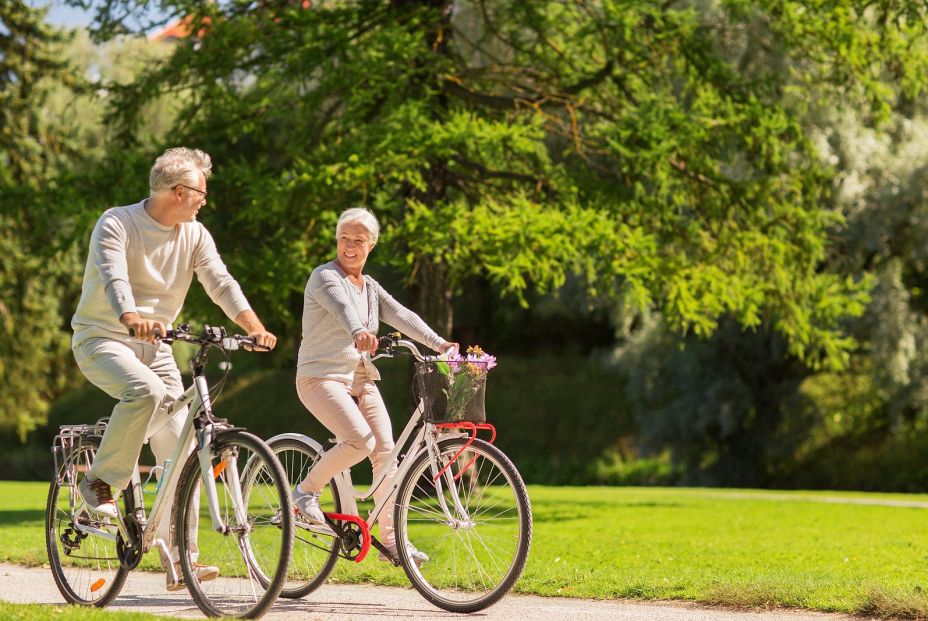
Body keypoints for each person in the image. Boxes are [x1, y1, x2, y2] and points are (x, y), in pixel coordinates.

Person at [71, 147, 277, 591]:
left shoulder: (195, 234)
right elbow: (114, 278)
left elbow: (220, 281)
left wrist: (253, 326)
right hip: (103, 339)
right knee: (143, 392)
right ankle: (99, 482)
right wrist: (130, 317)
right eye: (201, 192)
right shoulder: (117, 222)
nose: (205, 200)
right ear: (179, 191)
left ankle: (181, 560)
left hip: (158, 347)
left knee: (182, 447)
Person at [293, 207, 458, 566]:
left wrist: (440, 344)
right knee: (359, 441)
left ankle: (393, 541)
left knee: (386, 452)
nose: (349, 247)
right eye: (344, 239)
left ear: (371, 246)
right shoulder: (324, 277)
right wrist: (359, 333)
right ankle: (305, 492)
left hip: (359, 378)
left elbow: (401, 315)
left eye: (358, 241)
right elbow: (342, 310)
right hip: (320, 377)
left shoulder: (369, 287)